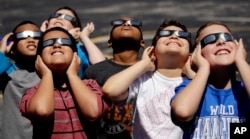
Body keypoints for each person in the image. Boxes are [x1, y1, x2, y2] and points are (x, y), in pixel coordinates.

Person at [102, 19, 193, 139]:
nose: (174, 37)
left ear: (190, 54)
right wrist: (144, 64)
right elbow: (110, 90)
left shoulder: (196, 81)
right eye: (165, 34)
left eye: (182, 35)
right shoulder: (143, 79)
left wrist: (193, 74)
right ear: (152, 50)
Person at [20, 27, 110, 139]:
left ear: (75, 56)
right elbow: (42, 111)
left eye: (64, 42)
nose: (56, 45)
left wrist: (72, 74)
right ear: (39, 58)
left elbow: (93, 112)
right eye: (48, 43)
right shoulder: (33, 94)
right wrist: (46, 75)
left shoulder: (90, 85)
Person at [170, 21, 250, 139]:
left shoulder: (245, 91)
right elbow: (183, 112)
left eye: (227, 37)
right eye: (210, 40)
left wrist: (241, 62)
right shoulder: (189, 89)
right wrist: (203, 69)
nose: (220, 41)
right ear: (198, 54)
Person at [84, 16, 145, 139]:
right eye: (119, 23)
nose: (126, 25)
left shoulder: (150, 70)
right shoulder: (93, 72)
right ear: (109, 42)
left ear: (142, 43)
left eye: (133, 23)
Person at [0, 21, 41, 139]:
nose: (31, 39)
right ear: (13, 46)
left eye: (36, 36)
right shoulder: (6, 72)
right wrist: (1, 53)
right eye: (23, 36)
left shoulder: (49, 71)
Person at [41, 6, 105, 78]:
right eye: (55, 15)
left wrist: (84, 37)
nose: (59, 18)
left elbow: (101, 66)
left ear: (76, 29)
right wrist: (41, 34)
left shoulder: (80, 49)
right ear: (47, 24)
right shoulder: (38, 42)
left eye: (67, 17)